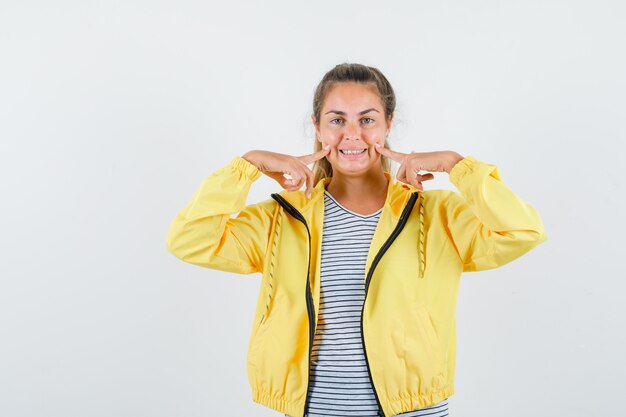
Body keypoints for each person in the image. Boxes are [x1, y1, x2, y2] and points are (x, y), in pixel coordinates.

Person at [165, 63, 547, 417]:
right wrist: (247, 166)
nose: (352, 134)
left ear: (388, 125)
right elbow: (189, 238)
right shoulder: (281, 217)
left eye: (367, 119)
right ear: (316, 126)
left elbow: (522, 231)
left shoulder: (436, 214)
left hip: (412, 410)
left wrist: (455, 165)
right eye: (337, 120)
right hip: (313, 409)